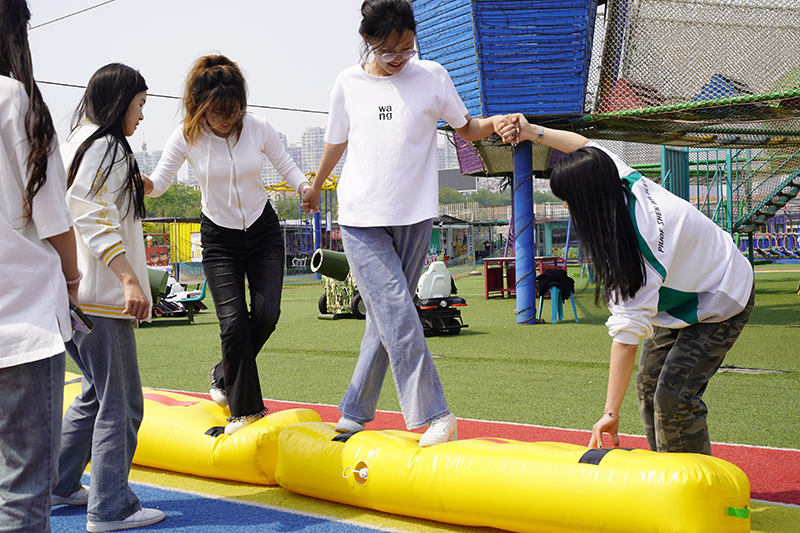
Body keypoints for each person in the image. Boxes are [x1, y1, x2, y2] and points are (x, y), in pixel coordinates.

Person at [302, 0, 510, 447]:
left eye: (406, 49)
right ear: (367, 41)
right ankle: (436, 414)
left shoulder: (432, 76)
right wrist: (315, 186)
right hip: (360, 218)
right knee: (397, 309)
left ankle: (354, 410)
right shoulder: (347, 83)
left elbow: (468, 129)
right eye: (387, 50)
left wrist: (499, 122)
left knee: (386, 316)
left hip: (414, 216)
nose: (398, 58)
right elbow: (336, 141)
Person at [502, 115, 755, 455]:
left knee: (674, 396)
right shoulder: (615, 177)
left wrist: (610, 413)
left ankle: (692, 479)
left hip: (724, 294)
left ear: (590, 199)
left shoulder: (640, 249)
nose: (566, 207)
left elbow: (626, 339)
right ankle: (664, 466)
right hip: (685, 290)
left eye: (570, 200)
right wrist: (532, 132)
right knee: (648, 387)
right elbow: (583, 146)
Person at [144, 55, 310, 434]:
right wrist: (144, 183)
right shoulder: (187, 135)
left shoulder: (257, 127)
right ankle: (245, 411)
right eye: (218, 113)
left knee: (267, 314)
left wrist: (304, 188)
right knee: (233, 323)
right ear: (200, 107)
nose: (227, 120)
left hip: (263, 230)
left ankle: (223, 373)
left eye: (234, 111)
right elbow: (161, 181)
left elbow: (286, 164)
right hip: (220, 239)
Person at [55, 63, 165, 531]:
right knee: (121, 401)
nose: (141, 115)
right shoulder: (107, 145)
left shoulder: (75, 141)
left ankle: (61, 482)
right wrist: (129, 278)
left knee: (95, 393)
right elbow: (90, 211)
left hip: (70, 294)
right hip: (99, 296)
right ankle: (111, 506)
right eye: (139, 105)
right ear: (121, 103)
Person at [0, 1, 80, 531]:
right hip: (20, 319)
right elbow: (53, 218)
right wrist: (72, 279)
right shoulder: (15, 98)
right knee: (24, 489)